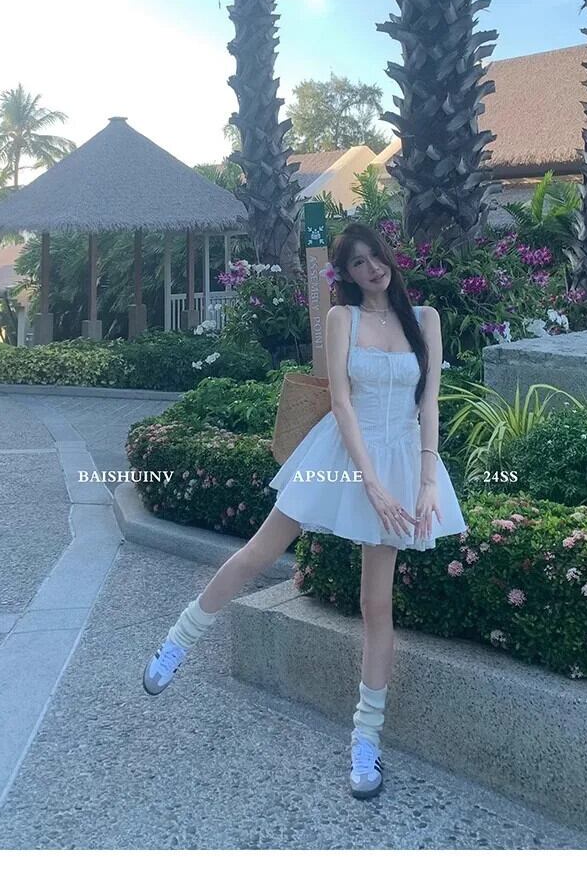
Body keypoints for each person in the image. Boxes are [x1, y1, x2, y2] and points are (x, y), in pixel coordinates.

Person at [142, 221, 467, 801]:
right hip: (343, 454)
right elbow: (341, 402)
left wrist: (425, 481)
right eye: (358, 263)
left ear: (389, 257)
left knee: (376, 605)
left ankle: (366, 739)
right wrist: (371, 484)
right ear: (346, 274)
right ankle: (178, 639)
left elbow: (430, 401)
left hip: (403, 459)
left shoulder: (426, 320)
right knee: (259, 552)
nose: (372, 268)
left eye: (376, 256)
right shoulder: (344, 318)